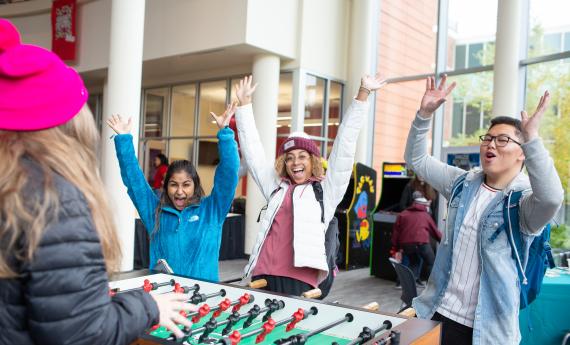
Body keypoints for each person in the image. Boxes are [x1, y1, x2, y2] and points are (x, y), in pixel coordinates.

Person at [0, 19, 196, 344]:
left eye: (186, 185)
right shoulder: (54, 197)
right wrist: (147, 305)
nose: (179, 190)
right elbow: (81, 335)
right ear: (67, 126)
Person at [405, 75, 564, 345]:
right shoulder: (462, 183)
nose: (491, 144)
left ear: (522, 152)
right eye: (488, 138)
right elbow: (416, 159)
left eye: (503, 140)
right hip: (436, 314)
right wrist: (424, 116)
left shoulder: (522, 202)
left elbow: (551, 198)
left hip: (487, 334)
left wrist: (533, 139)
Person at [234, 75, 386, 295]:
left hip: (300, 279)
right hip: (263, 273)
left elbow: (345, 144)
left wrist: (363, 94)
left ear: (312, 160)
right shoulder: (277, 188)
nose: (295, 162)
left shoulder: (325, 190)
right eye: (290, 157)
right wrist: (245, 105)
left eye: (302, 156)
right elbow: (253, 152)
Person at [106, 102, 240, 282]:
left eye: (186, 184)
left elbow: (229, 174)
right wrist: (123, 140)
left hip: (203, 298)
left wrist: (225, 134)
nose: (179, 191)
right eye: (173, 184)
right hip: (165, 298)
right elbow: (134, 181)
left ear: (195, 185)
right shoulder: (155, 212)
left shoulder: (212, 210)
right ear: (166, 186)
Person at [392, 191, 442, 286]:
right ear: (424, 206)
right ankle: (431, 286)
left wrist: (396, 247)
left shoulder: (403, 214)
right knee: (431, 262)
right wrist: (443, 242)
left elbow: (396, 233)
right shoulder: (425, 215)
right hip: (421, 243)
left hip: (406, 245)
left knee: (414, 262)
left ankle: (407, 283)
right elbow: (435, 232)